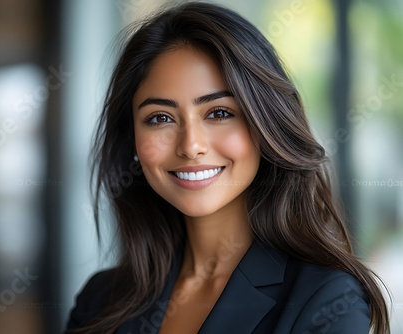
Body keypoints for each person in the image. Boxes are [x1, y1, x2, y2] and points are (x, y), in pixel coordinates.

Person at [66, 2, 390, 333]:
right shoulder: (100, 299)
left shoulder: (326, 299)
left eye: (219, 113)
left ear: (266, 124)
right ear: (131, 137)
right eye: (160, 118)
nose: (191, 146)